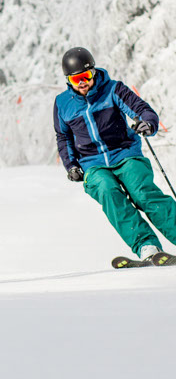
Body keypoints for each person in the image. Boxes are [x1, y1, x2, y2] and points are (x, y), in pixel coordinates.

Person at [53, 46, 176, 261]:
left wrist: (147, 122)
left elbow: (142, 109)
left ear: (93, 72)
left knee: (142, 192)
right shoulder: (63, 104)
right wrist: (71, 165)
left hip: (125, 153)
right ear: (68, 81)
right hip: (92, 163)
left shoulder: (113, 89)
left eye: (85, 76)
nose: (82, 83)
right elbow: (63, 137)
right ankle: (146, 246)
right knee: (108, 192)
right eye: (76, 80)